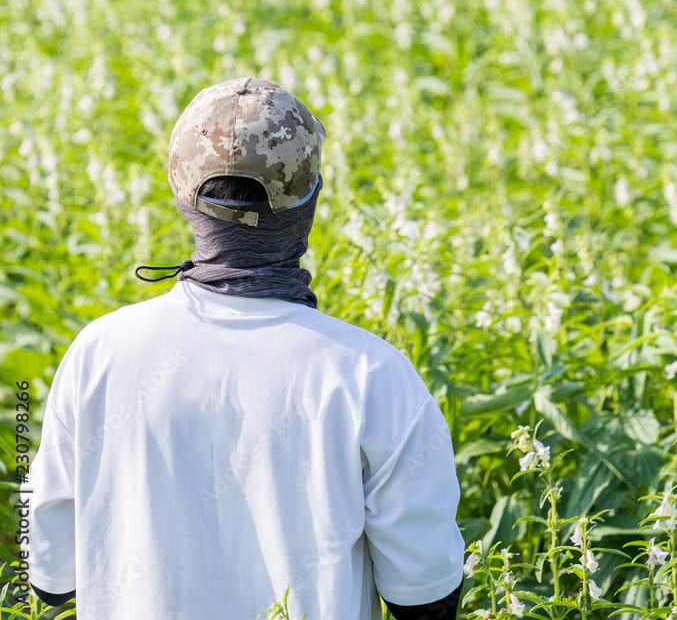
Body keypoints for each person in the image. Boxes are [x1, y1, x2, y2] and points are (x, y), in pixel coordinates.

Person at [27, 77, 465, 620]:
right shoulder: (372, 375)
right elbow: (426, 597)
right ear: (311, 200)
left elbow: (52, 580)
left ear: (180, 193)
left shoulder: (99, 354)